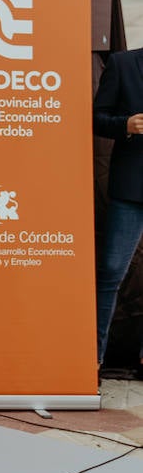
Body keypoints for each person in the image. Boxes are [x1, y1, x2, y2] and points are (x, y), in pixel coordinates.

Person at [93, 48, 143, 369]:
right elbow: (97, 119)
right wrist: (126, 124)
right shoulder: (123, 63)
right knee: (111, 273)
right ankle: (91, 361)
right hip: (130, 189)